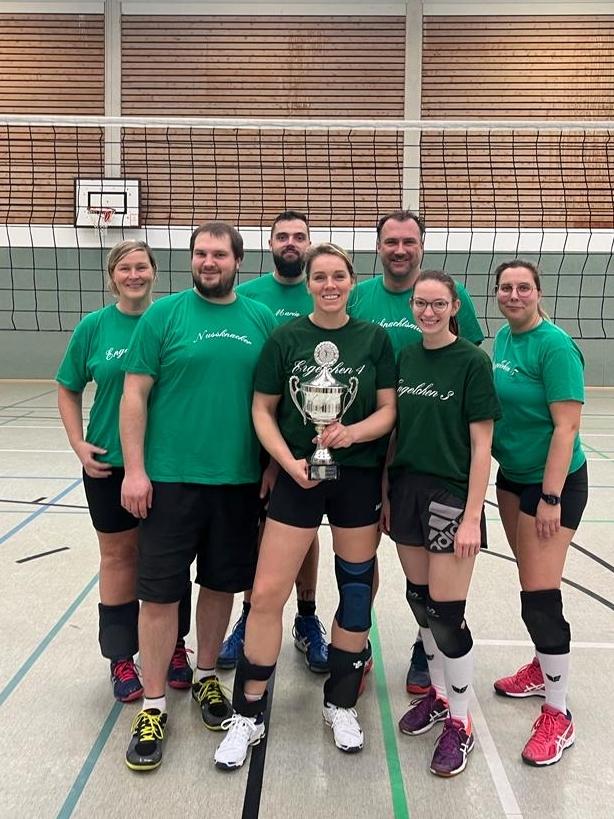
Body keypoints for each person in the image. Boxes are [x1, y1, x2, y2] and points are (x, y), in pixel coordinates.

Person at [214, 243, 396, 770]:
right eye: (320, 276)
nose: (329, 284)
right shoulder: (286, 337)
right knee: (268, 593)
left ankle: (340, 703)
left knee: (357, 587)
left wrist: (350, 433)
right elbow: (262, 409)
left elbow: (388, 410)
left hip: (356, 475)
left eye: (338, 275)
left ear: (351, 281)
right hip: (299, 473)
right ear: (309, 283)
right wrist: (287, 461)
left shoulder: (374, 339)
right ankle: (248, 713)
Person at [119, 222, 276, 772]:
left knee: (219, 584)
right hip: (168, 480)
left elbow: (270, 402)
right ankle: (155, 703)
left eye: (219, 254)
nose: (208, 262)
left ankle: (207, 676)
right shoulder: (164, 316)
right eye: (200, 254)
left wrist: (271, 465)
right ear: (191, 260)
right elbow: (134, 394)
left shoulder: (260, 319)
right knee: (159, 594)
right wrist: (135, 470)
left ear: (238, 261)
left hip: (235, 482)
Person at [350, 209, 484, 697]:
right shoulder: (360, 296)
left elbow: (465, 370)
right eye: (391, 241)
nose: (400, 249)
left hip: (439, 464)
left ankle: (434, 661)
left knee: (443, 591)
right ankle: (355, 643)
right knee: (370, 560)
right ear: (379, 246)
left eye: (409, 241)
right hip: (375, 453)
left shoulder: (457, 314)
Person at [56, 240, 192, 704]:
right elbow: (67, 387)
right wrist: (78, 442)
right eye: (125, 268)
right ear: (112, 276)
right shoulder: (94, 327)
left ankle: (175, 648)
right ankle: (120, 656)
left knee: (168, 559)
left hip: (168, 465)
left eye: (142, 267)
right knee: (118, 558)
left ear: (154, 271)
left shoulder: (174, 319)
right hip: (110, 466)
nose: (134, 275)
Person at [381, 269, 500, 777]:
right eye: (420, 303)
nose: (427, 312)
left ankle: (460, 722)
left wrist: (473, 516)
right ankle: (434, 693)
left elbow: (481, 445)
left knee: (447, 616)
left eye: (438, 304)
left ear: (454, 307)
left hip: (451, 495)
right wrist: (386, 492)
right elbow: (394, 430)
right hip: (406, 490)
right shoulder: (404, 357)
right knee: (420, 602)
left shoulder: (472, 361)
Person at [219, 209, 328, 675]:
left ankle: (307, 617)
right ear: (269, 244)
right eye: (282, 236)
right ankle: (250, 616)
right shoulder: (248, 298)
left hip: (314, 437)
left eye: (299, 236)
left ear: (309, 243)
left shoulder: (325, 291)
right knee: (259, 530)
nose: (291, 243)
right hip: (260, 438)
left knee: (306, 531)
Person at [491, 260, 588, 766]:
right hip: (513, 476)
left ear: (538, 292)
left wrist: (550, 497)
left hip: (553, 484)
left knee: (540, 596)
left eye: (522, 287)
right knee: (530, 581)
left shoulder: (555, 347)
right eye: (505, 288)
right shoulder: (504, 340)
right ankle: (540, 666)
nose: (513, 295)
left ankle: (558, 713)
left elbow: (566, 429)